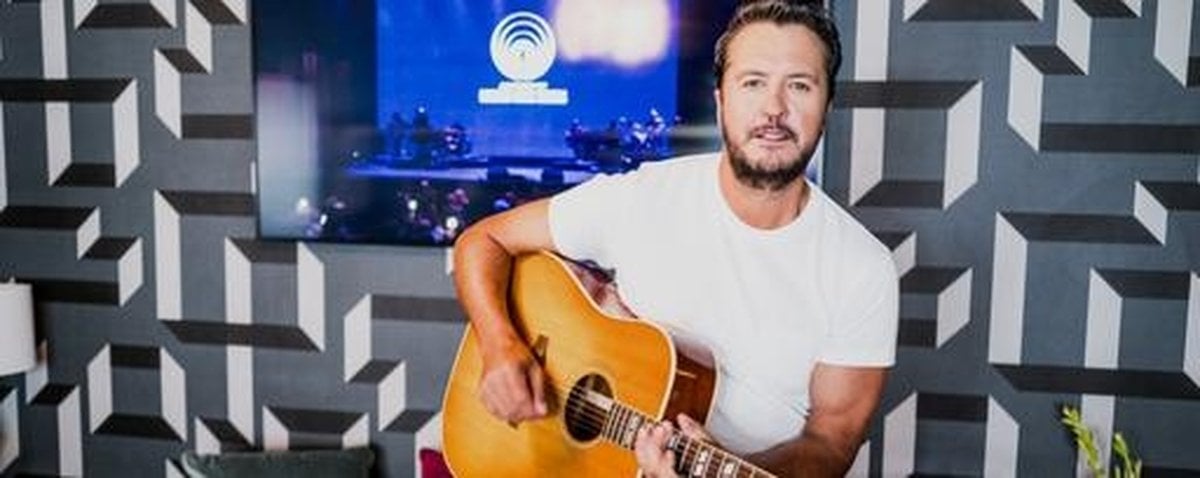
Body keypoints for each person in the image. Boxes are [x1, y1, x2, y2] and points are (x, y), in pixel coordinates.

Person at [450, 1, 898, 476]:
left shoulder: (862, 269)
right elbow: (483, 241)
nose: (774, 108)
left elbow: (830, 444)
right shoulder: (643, 196)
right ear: (721, 100)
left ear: (826, 107)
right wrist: (500, 346)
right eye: (753, 82)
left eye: (800, 86)